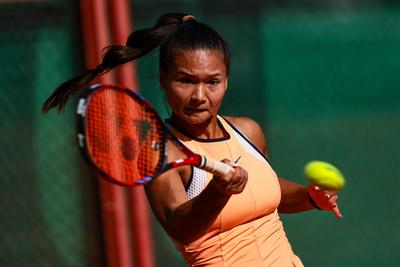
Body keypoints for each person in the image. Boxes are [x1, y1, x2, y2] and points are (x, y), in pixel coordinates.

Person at [42, 13, 341, 266]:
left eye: (212, 82)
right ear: (162, 79)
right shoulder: (161, 154)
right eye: (186, 81)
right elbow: (181, 226)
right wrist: (218, 192)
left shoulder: (248, 131)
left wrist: (309, 196)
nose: (200, 97)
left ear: (226, 81)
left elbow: (267, 191)